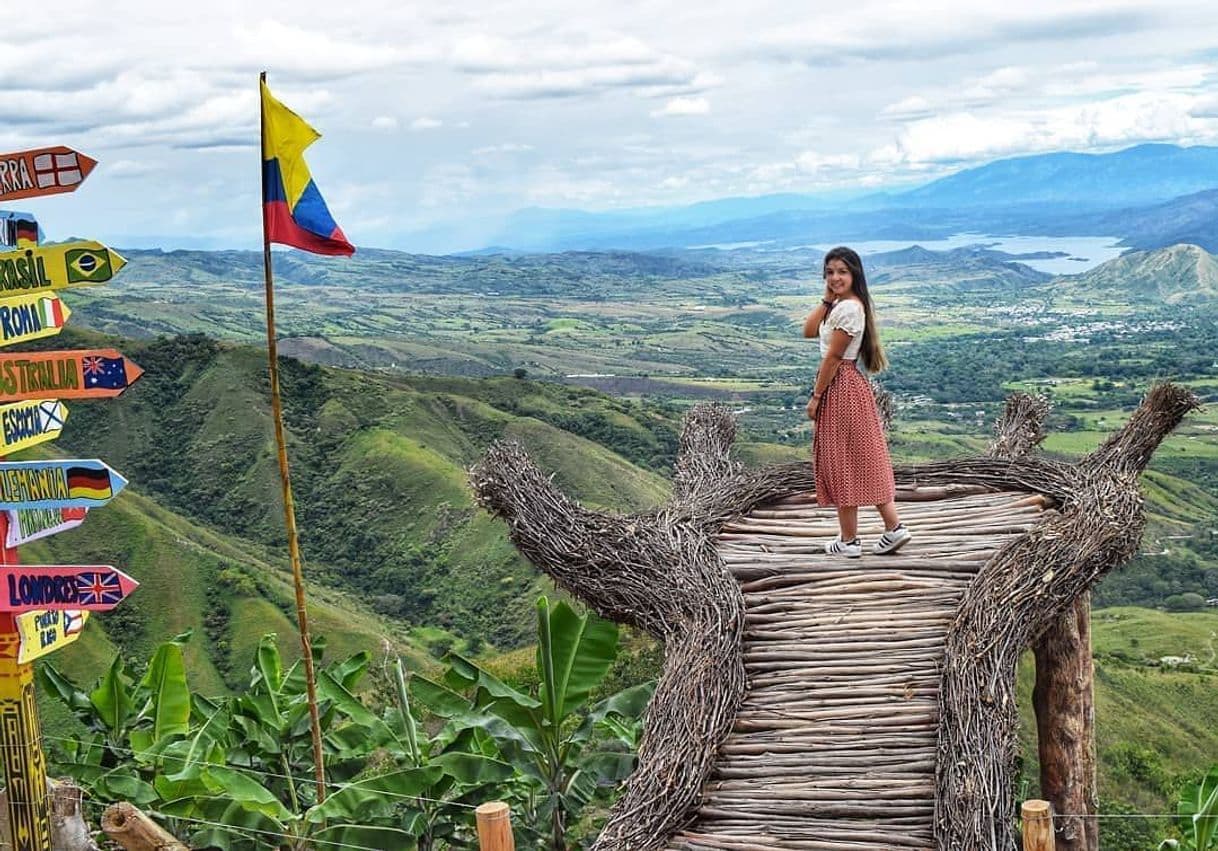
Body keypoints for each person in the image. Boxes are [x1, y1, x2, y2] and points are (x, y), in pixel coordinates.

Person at [803, 246, 910, 558]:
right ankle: (892, 528)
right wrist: (827, 296)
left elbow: (834, 357)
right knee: (859, 457)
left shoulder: (849, 309)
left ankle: (850, 541)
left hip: (840, 386)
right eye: (830, 272)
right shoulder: (843, 305)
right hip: (849, 386)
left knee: (842, 459)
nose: (835, 277)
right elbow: (809, 331)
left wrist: (817, 396)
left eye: (842, 272)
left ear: (855, 275)